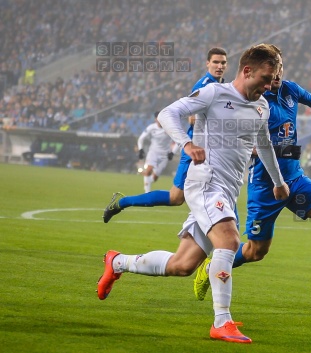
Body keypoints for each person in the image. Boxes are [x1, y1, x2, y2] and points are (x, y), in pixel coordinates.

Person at [97, 44, 289, 344]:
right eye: (266, 77)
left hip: (226, 190)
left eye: (274, 78)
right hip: (205, 183)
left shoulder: (262, 106)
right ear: (247, 71)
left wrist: (278, 181)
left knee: (182, 265)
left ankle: (117, 262)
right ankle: (222, 322)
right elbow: (168, 113)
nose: (269, 84)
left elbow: (263, 144)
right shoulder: (215, 94)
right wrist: (187, 144)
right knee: (229, 240)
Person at [192, 44, 311, 310]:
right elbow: (248, 141)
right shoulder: (253, 100)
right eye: (272, 70)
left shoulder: (290, 89)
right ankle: (212, 265)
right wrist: (274, 150)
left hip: (295, 179)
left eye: (279, 69)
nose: (276, 75)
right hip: (265, 185)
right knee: (255, 252)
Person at [102, 48, 228, 223]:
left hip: (213, 150)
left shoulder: (224, 86)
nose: (219, 66)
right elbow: (192, 118)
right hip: (196, 149)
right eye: (215, 62)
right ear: (208, 63)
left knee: (215, 192)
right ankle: (122, 202)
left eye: (223, 62)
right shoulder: (204, 85)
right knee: (176, 197)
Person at [136, 111, 175, 193]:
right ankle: (147, 193)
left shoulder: (169, 128)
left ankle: (147, 182)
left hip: (165, 155)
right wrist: (140, 149)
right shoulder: (151, 127)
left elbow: (178, 140)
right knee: (148, 170)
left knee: (154, 178)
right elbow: (141, 138)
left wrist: (172, 152)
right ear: (155, 119)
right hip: (153, 152)